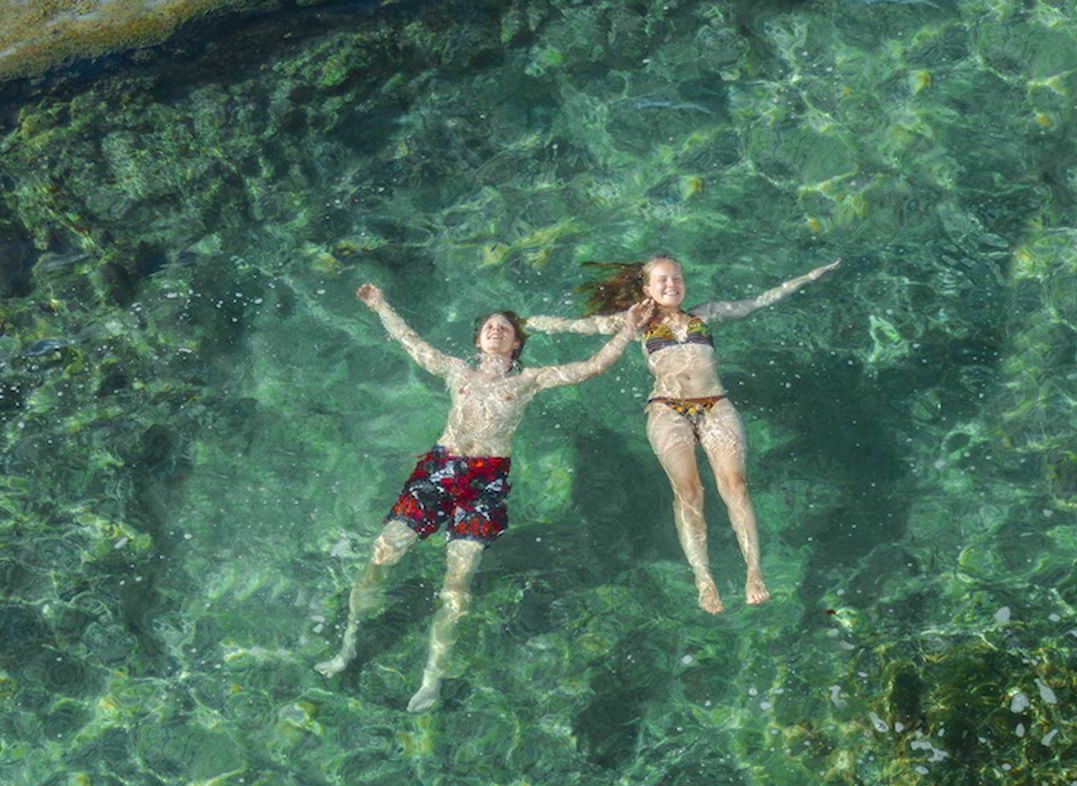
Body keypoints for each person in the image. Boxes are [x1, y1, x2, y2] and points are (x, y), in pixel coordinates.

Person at [316, 283, 648, 711]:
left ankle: (431, 679)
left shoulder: (530, 380)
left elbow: (592, 366)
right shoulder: (457, 371)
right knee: (383, 554)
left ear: (517, 343)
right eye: (490, 326)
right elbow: (409, 341)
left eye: (505, 328)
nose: (496, 330)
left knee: (457, 583)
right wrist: (380, 303)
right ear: (477, 340)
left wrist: (628, 329)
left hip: (485, 483)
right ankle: (348, 646)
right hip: (438, 470)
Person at [527, 255, 839, 613]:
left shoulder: (705, 314)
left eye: (676, 278)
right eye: (662, 280)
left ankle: (754, 571)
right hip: (666, 409)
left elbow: (760, 301)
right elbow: (579, 327)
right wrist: (531, 322)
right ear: (646, 289)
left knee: (735, 485)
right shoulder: (637, 323)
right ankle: (703, 579)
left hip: (716, 405)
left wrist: (812, 274)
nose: (671, 284)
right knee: (689, 491)